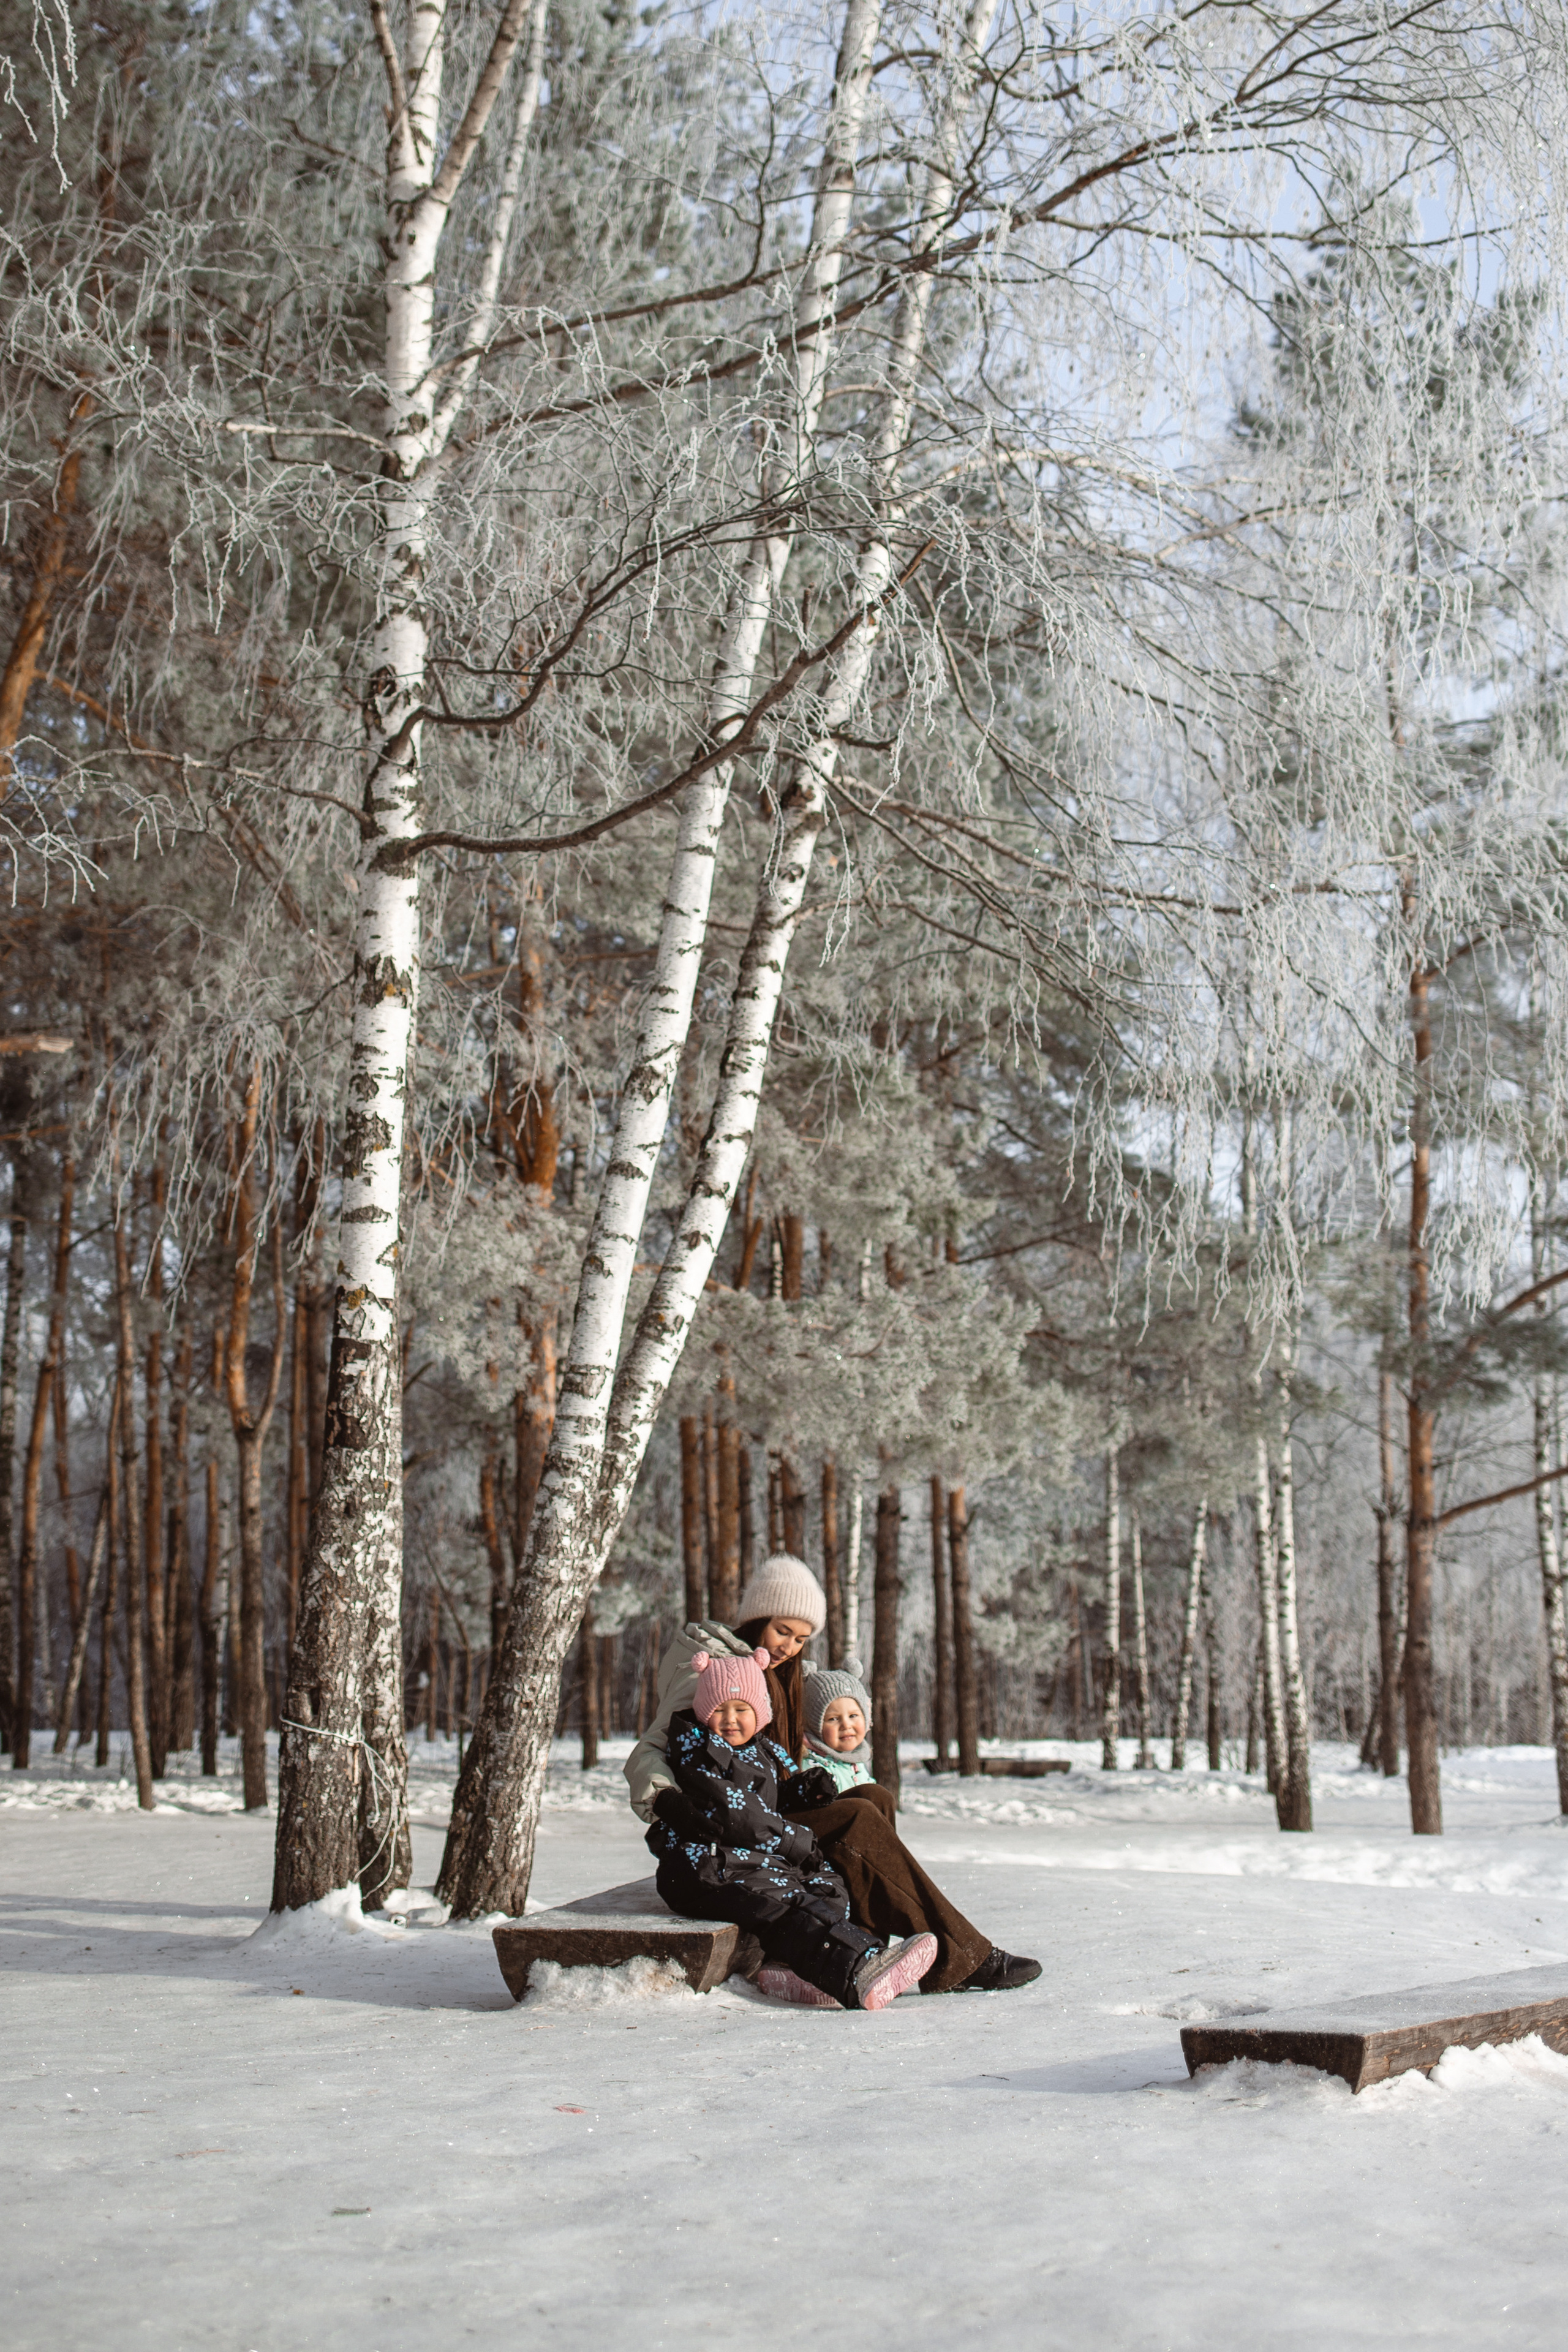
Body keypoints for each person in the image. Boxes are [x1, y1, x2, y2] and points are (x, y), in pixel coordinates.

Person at [625, 1553, 1042, 1994]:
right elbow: (654, 1745)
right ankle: (963, 1956)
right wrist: (666, 1799)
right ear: (757, 1618)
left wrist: (804, 1781)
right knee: (856, 1818)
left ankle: (869, 1940)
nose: (790, 1645)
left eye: (802, 1638)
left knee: (872, 1797)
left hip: (768, 1814)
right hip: (727, 1830)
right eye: (783, 1630)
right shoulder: (720, 1671)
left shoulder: (781, 1673)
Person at [648, 1643, 937, 2011]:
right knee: (785, 1904)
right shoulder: (701, 1753)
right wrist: (794, 1839)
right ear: (706, 1712)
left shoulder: (757, 1750)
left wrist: (800, 1792)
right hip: (706, 1866)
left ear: (759, 1713)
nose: (732, 1718)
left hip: (748, 1858)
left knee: (826, 1885)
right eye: (721, 1709)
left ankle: (798, 1973)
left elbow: (763, 1800)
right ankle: (855, 1975)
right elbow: (734, 1813)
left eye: (742, 1709)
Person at [802, 1658, 874, 1792]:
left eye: (853, 1716)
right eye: (833, 1719)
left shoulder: (856, 1761)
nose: (846, 1725)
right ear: (813, 1725)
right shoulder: (813, 1769)